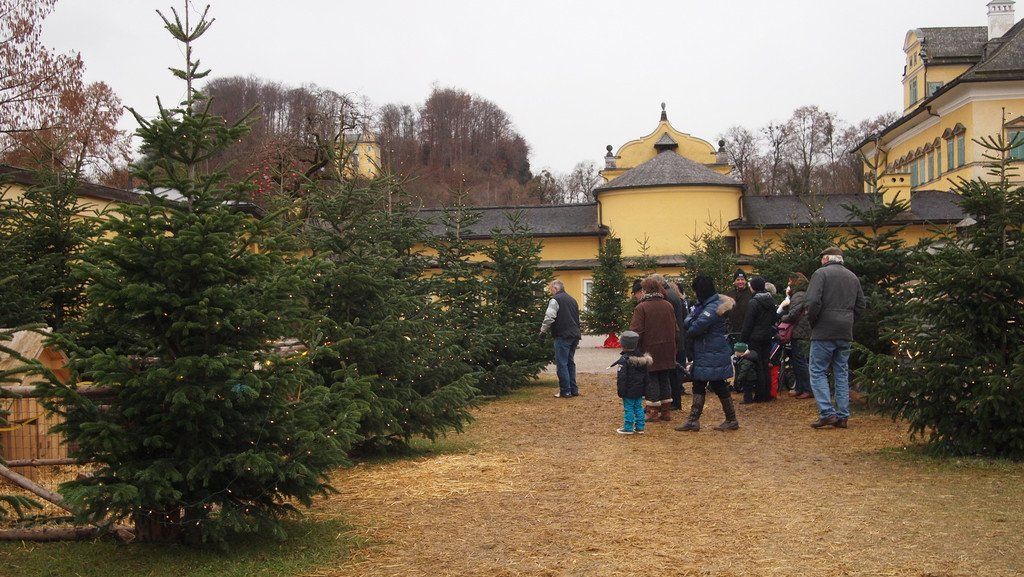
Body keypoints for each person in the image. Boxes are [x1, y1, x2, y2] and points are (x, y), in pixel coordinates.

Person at [806, 247, 866, 429]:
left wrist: (813, 321)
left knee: (817, 371)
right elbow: (861, 305)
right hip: (845, 331)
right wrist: (848, 321)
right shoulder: (852, 277)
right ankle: (843, 415)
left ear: (826, 259)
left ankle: (827, 413)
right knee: (841, 372)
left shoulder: (820, 274)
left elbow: (812, 302)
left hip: (823, 330)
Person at [676, 275, 739, 432]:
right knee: (702, 383)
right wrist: (691, 321)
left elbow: (694, 328)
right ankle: (696, 420)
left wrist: (691, 321)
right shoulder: (705, 305)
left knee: (715, 384)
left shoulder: (711, 308)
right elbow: (689, 321)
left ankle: (729, 419)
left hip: (711, 351)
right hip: (707, 351)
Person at [629, 276, 677, 422]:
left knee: (652, 379)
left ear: (645, 290)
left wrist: (632, 348)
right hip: (668, 348)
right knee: (664, 378)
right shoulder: (668, 305)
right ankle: (666, 411)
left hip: (650, 349)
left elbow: (636, 331)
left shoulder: (641, 307)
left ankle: (652, 411)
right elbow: (675, 328)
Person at [539, 279, 581, 398]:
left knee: (562, 363)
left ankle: (565, 390)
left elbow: (549, 317)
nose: (551, 292)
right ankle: (573, 389)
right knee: (570, 362)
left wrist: (542, 331)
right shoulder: (572, 300)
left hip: (562, 335)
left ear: (556, 288)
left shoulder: (555, 300)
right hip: (574, 335)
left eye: (551, 289)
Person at [652, 274, 688, 407]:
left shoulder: (667, 296)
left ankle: (674, 402)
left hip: (673, 339)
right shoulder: (672, 294)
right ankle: (674, 401)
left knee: (672, 373)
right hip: (677, 337)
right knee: (673, 372)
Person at [740, 276, 777, 402]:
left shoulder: (754, 302)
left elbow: (748, 323)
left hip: (755, 337)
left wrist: (743, 339)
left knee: (757, 366)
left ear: (753, 287)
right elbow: (774, 318)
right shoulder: (770, 300)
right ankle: (767, 393)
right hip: (767, 336)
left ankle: (760, 394)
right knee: (765, 364)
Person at [779, 273, 813, 399]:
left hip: (799, 332)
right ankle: (800, 387)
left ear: (795, 282)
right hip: (802, 331)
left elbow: (793, 314)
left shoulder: (798, 295)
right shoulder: (803, 294)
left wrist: (781, 317)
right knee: (798, 360)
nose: (788, 284)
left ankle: (807, 388)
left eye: (789, 281)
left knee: (800, 361)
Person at [611, 330, 651, 435]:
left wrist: (621, 391)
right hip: (639, 389)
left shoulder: (624, 360)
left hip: (628, 390)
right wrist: (646, 389)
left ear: (623, 344)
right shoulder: (642, 358)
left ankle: (628, 427)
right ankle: (640, 427)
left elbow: (622, 378)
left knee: (628, 408)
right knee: (638, 407)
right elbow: (646, 376)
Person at [726, 270, 752, 338]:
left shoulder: (751, 293)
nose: (740, 282)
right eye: (738, 280)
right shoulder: (730, 294)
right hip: (732, 331)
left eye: (742, 279)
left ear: (746, 281)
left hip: (748, 330)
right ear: (734, 281)